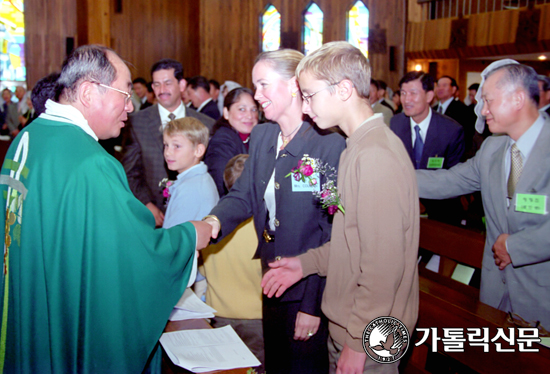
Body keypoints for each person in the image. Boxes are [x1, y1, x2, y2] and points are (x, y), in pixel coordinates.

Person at [0, 44, 212, 374]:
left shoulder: (29, 138)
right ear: (88, 92)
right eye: (124, 92)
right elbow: (131, 258)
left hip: (31, 308)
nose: (130, 105)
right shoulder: (90, 162)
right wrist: (188, 238)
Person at [261, 41, 419, 374]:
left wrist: (359, 342)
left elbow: (382, 267)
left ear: (344, 89)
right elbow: (354, 243)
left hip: (369, 335)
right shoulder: (356, 147)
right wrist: (306, 263)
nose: (304, 108)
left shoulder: (374, 155)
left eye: (310, 95)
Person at [204, 48, 346, 374]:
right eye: (255, 86)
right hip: (271, 278)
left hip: (309, 286)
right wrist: (213, 221)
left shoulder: (328, 143)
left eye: (264, 85)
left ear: (295, 84)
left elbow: (331, 228)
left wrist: (313, 307)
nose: (256, 96)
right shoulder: (263, 134)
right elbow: (243, 195)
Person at [417, 61, 550, 329]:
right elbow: (451, 180)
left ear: (518, 99)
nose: (483, 110)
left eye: (488, 101)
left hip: (541, 293)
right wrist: (391, 175)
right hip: (496, 292)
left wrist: (514, 247)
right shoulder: (492, 147)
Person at [122, 59, 215, 227]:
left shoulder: (206, 124)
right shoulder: (137, 123)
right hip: (150, 216)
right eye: (156, 85)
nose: (161, 90)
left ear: (181, 85)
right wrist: (146, 203)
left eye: (167, 83)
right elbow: (129, 172)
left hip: (193, 214)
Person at [202, 153, 265, 373]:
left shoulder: (213, 223)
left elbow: (203, 265)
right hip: (257, 319)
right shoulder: (264, 230)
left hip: (219, 315)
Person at [390, 71, 465, 226]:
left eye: (413, 93)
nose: (406, 99)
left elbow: (454, 179)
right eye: (403, 93)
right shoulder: (395, 124)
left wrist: (424, 201)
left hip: (439, 211)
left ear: (429, 96)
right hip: (402, 209)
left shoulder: (451, 130)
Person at [204, 87, 259, 197]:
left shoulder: (255, 138)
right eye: (242, 109)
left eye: (253, 110)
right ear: (226, 113)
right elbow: (223, 185)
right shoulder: (222, 142)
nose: (250, 116)